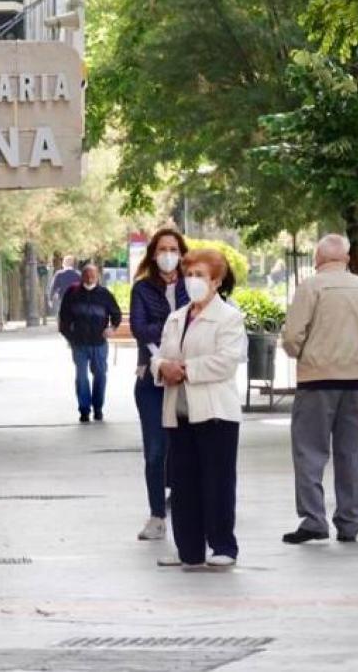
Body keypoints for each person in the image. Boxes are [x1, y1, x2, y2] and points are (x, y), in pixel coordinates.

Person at [151, 249, 247, 570]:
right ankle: (188, 549)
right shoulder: (176, 317)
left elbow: (226, 361)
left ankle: (222, 545)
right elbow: (160, 354)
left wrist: (186, 369)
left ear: (216, 281)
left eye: (200, 275)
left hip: (215, 412)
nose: (192, 281)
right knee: (183, 483)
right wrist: (163, 366)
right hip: (179, 412)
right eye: (188, 274)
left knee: (217, 481)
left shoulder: (229, 317)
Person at [280, 234, 358, 544]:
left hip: (317, 379)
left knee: (309, 452)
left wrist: (300, 353)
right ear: (346, 259)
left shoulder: (311, 287)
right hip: (356, 381)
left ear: (318, 259)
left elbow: (293, 336)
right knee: (351, 453)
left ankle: (313, 520)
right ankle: (350, 521)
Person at [129, 228, 189, 541]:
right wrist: (161, 362)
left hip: (185, 378)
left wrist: (176, 362)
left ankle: (183, 505)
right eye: (163, 249)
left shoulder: (192, 287)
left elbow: (196, 326)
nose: (168, 254)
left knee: (184, 448)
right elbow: (140, 329)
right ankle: (156, 515)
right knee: (155, 451)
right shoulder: (142, 289)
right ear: (154, 254)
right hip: (151, 381)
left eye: (173, 249)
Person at [58, 263, 121, 423]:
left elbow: (116, 314)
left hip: (99, 343)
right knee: (81, 377)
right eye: (86, 274)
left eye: (93, 275)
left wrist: (112, 328)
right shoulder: (72, 293)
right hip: (79, 343)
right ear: (82, 277)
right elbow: (63, 318)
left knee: (100, 375)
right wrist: (70, 337)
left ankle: (98, 407)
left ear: (98, 276)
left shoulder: (105, 294)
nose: (89, 278)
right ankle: (84, 410)